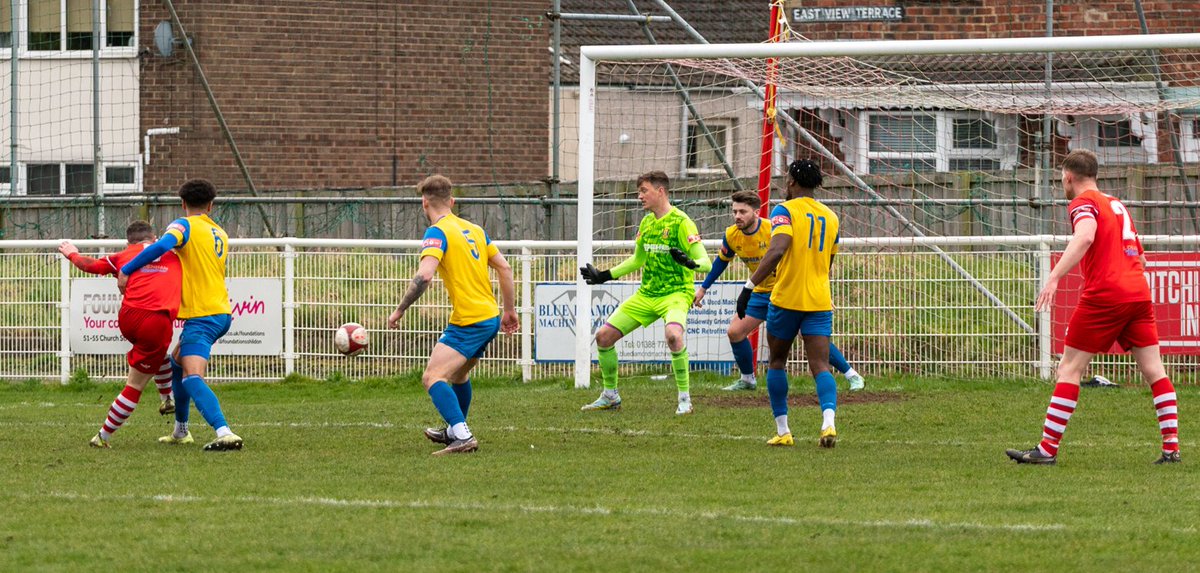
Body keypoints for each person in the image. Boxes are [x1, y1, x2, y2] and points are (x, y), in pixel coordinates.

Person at [1007, 149, 1180, 465]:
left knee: (1069, 368)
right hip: (1138, 293)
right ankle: (1171, 448)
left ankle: (1046, 450)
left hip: (1106, 295)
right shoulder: (1117, 205)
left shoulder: (1082, 203)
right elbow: (1140, 257)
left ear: (1068, 177)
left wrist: (1055, 277)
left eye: (1062, 177)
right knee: (1155, 369)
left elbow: (1085, 236)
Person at [387, 174, 519, 455]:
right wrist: (509, 310)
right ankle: (454, 430)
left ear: (424, 203)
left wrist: (399, 310)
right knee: (458, 375)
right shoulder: (474, 229)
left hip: (470, 320)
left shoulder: (437, 232)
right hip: (490, 316)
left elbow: (424, 277)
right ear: (452, 201)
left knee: (432, 377)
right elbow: (505, 268)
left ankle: (462, 434)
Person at [694, 189, 865, 392]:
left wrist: (819, 290)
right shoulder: (732, 235)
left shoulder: (772, 228)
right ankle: (748, 379)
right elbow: (721, 263)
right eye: (735, 212)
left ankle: (852, 375)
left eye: (743, 212)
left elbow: (803, 257)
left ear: (756, 212)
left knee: (810, 336)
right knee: (735, 331)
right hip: (759, 293)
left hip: (786, 292)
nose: (738, 216)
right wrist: (703, 288)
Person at [119, 179, 243, 452]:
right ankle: (180, 431)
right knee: (176, 364)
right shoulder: (219, 232)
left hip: (203, 315)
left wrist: (128, 268)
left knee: (192, 377)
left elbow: (161, 246)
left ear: (183, 204)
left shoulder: (182, 225)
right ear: (211, 205)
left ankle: (225, 432)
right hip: (220, 311)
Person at [579, 170, 712, 415]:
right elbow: (636, 260)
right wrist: (604, 276)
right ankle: (610, 396)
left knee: (673, 335)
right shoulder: (647, 222)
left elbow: (706, 262)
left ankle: (685, 399)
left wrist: (691, 264)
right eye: (639, 191)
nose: (639, 196)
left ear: (660, 191)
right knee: (603, 337)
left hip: (676, 294)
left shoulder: (682, 222)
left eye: (644, 191)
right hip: (647, 294)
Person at [736, 160, 840, 448]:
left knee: (777, 362)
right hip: (819, 300)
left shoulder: (785, 210)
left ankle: (783, 431)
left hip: (786, 299)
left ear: (793, 181)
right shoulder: (831, 217)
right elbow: (829, 262)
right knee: (820, 365)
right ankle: (828, 422)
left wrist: (749, 285)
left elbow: (778, 248)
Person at [59, 221, 182, 448]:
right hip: (155, 320)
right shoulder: (174, 254)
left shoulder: (123, 255)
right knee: (135, 384)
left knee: (158, 354)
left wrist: (72, 254)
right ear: (154, 239)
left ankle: (167, 399)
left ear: (129, 242)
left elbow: (91, 265)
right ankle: (102, 436)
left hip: (128, 318)